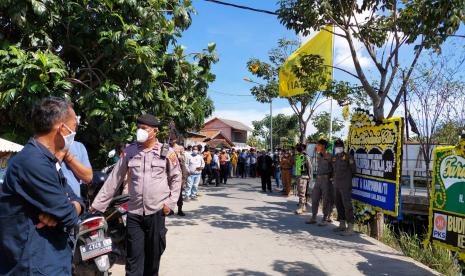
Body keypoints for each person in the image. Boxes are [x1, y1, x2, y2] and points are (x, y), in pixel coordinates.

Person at [0, 97, 84, 275]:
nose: (73, 134)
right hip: (33, 265)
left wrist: (70, 207)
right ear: (62, 129)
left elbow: (76, 200)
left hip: (51, 258)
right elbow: (69, 216)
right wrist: (68, 209)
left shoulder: (47, 160)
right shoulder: (32, 162)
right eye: (74, 128)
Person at [90, 114, 181, 276]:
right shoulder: (130, 151)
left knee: (153, 258)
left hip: (157, 212)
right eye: (138, 128)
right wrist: (97, 205)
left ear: (154, 131)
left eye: (144, 129)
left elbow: (176, 178)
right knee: (133, 258)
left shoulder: (166, 152)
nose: (140, 132)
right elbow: (115, 178)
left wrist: (170, 203)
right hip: (134, 213)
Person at [332, 139, 357, 235]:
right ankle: (342, 224)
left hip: (345, 185)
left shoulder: (348, 157)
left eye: (340, 146)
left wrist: (347, 179)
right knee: (338, 204)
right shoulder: (334, 158)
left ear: (343, 147)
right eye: (337, 146)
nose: (338, 147)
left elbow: (354, 171)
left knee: (347, 205)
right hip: (337, 185)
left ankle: (350, 227)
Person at [306, 139, 333, 225]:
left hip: (326, 180)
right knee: (315, 198)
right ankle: (314, 217)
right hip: (318, 180)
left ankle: (325, 218)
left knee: (325, 200)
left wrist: (332, 178)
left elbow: (334, 168)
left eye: (318, 145)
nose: (316, 146)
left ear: (323, 146)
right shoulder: (318, 155)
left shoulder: (330, 156)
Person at [294, 144, 313, 215]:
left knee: (302, 193)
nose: (296, 148)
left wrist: (310, 177)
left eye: (298, 147)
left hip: (303, 176)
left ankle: (301, 207)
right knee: (300, 192)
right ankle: (303, 206)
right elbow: (298, 167)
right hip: (299, 176)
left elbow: (309, 167)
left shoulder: (305, 156)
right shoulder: (299, 155)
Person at [173, 140, 187, 216]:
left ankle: (179, 209)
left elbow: (183, 159)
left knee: (179, 192)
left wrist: (178, 155)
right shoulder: (165, 147)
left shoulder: (180, 148)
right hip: (167, 173)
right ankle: (169, 209)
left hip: (178, 172)